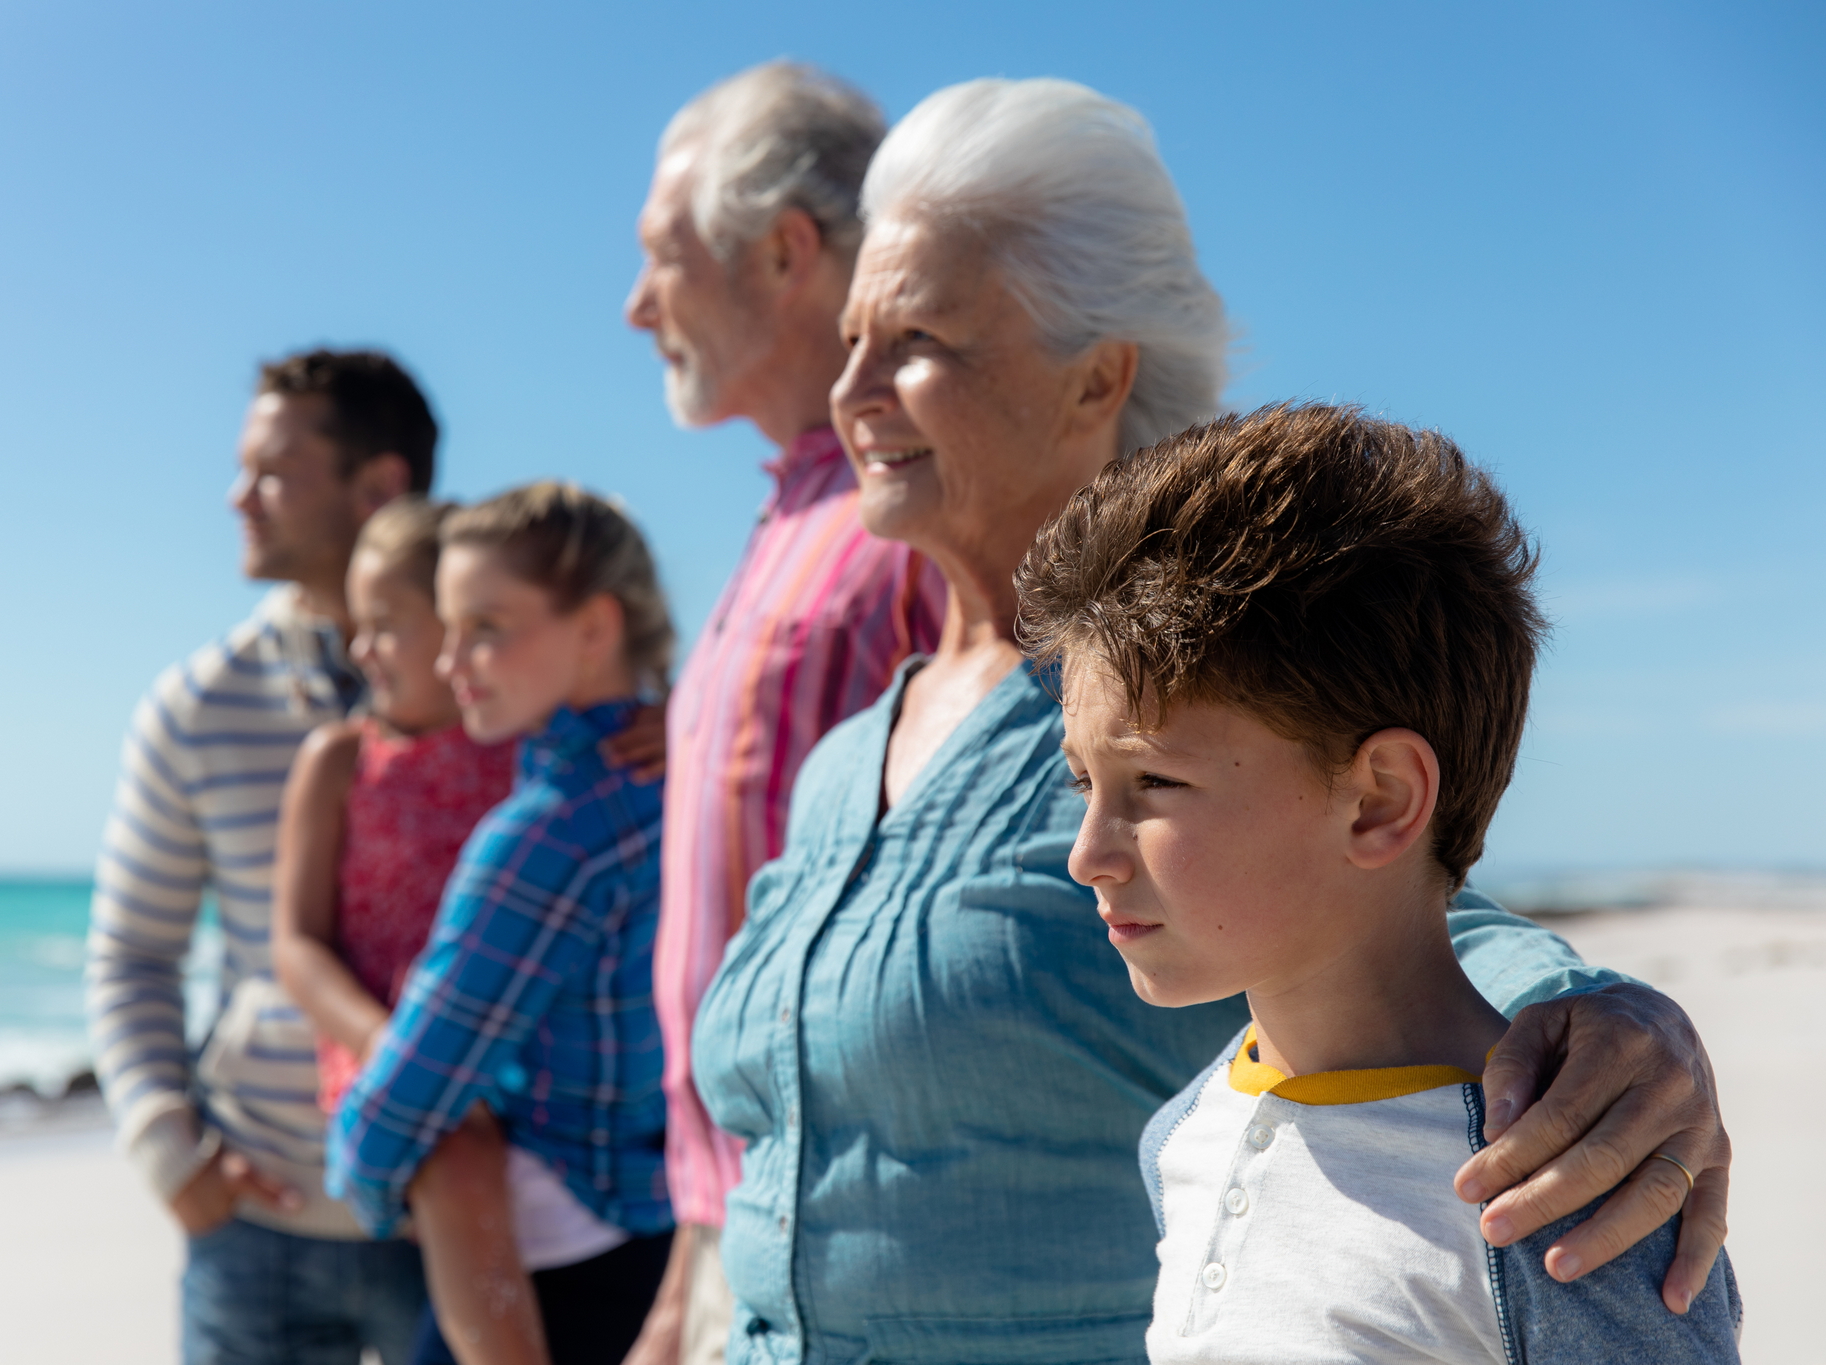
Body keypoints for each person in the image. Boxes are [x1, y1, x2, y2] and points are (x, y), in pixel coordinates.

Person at [690, 78, 1734, 1365]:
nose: (849, 389)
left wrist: (1608, 1030)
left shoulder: (1211, 718)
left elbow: (1397, 923)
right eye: (847, 338)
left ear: (1098, 378)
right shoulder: (853, 751)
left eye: (915, 341)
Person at [1024, 403, 1741, 1364]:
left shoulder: (1564, 1199)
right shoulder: (1184, 1134)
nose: (1088, 852)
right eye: (1085, 781)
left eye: (1153, 780)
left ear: (1379, 801)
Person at [621, 62, 946, 1365]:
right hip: (745, 1226)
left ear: (785, 251)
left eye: (662, 256)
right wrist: (689, 1267)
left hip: (860, 1247)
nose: (637, 305)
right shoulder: (794, 516)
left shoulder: (924, 511)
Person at [87, 348, 439, 1362]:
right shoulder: (196, 706)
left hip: (476, 1208)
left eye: (272, 472)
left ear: (379, 484)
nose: (237, 498)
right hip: (257, 1225)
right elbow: (131, 954)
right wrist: (168, 1151)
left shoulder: (507, 676)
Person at [329, 483, 676, 1365]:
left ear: (596, 627)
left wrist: (366, 1178)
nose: (453, 662)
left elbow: (402, 1103)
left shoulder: (551, 829)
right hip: (664, 1241)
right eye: (447, 629)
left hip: (547, 1271)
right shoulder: (698, 774)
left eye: (485, 627)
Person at [271, 495, 515, 1114]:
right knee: (458, 1162)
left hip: (520, 1053)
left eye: (384, 625)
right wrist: (388, 1048)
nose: (359, 650)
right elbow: (297, 945)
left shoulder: (532, 744)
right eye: (357, 626)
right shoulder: (340, 762)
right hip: (387, 1054)